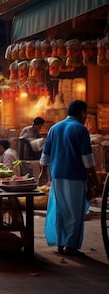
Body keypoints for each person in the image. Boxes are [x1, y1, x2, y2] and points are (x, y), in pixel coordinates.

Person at [38, 100, 100, 256]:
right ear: (82, 113)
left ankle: (60, 242)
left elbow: (45, 155)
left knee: (61, 209)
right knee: (75, 212)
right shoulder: (81, 129)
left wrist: (43, 173)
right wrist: (96, 179)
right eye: (85, 114)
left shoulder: (54, 128)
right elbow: (87, 159)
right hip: (76, 176)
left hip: (57, 175)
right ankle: (71, 246)